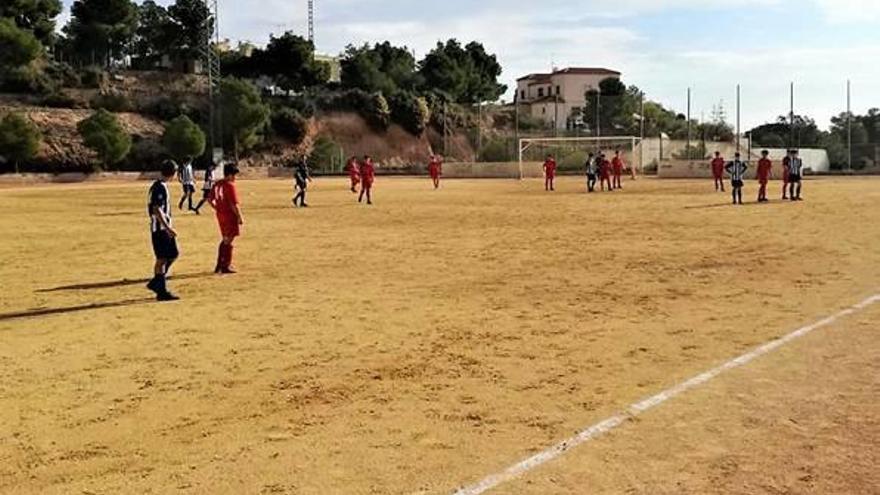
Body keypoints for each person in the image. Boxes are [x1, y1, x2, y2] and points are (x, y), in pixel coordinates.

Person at [146, 160, 180, 301]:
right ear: (173, 173)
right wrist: (167, 227)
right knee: (162, 258)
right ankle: (161, 289)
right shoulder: (159, 187)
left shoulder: (160, 186)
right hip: (160, 229)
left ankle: (157, 282)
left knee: (172, 254)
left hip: (162, 228)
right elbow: (156, 209)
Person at [210, 163, 244, 274]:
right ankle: (225, 265)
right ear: (229, 175)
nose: (235, 178)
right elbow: (233, 204)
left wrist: (217, 208)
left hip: (220, 215)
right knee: (229, 239)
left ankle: (219, 264)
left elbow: (209, 199)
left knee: (225, 238)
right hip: (229, 215)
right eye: (234, 175)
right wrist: (239, 216)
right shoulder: (230, 185)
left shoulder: (217, 184)